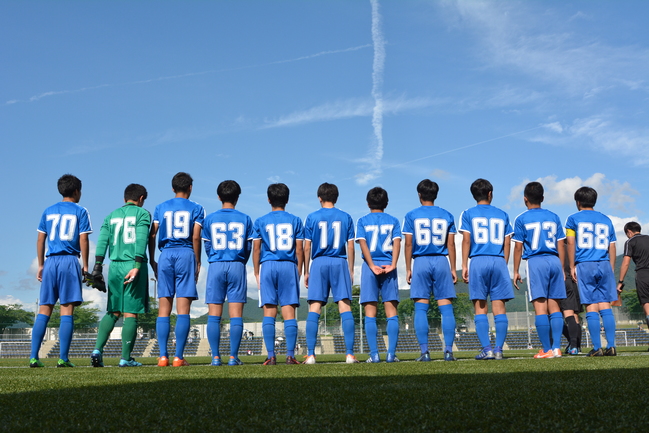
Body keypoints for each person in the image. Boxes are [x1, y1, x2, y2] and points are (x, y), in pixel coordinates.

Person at [31, 174, 92, 368]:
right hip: (69, 261)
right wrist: (85, 265)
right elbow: (83, 239)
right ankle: (63, 358)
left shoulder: (47, 211)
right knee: (67, 310)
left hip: (50, 261)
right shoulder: (81, 211)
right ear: (76, 191)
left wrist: (41, 264)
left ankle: (34, 357)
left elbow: (41, 240)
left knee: (44, 309)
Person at [91, 184, 152, 367]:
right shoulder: (143, 214)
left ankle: (97, 351)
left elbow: (102, 241)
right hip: (132, 264)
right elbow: (141, 240)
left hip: (114, 266)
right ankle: (125, 358)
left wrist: (98, 267)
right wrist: (137, 265)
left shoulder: (111, 216)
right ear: (141, 198)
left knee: (113, 310)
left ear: (125, 198)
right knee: (130, 313)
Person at [150, 172, 205, 367]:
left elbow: (152, 234)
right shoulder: (197, 208)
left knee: (163, 309)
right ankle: (178, 357)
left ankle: (163, 356)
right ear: (190, 187)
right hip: (186, 253)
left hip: (165, 254)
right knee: (183, 310)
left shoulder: (160, 207)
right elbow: (196, 237)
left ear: (172, 188)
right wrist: (197, 261)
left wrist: (151, 259)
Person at [402, 180, 458, 362]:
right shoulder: (447, 215)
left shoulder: (411, 215)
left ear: (419, 194)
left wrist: (408, 267)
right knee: (446, 308)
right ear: (436, 194)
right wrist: (452, 267)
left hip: (421, 261)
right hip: (441, 260)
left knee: (421, 308)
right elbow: (451, 244)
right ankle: (449, 351)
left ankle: (425, 352)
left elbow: (408, 243)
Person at [459, 179, 514, 360]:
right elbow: (507, 242)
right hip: (498, 260)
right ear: (490, 194)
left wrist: (464, 264)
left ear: (474, 195)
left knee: (480, 307)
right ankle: (499, 349)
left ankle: (487, 349)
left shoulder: (467, 213)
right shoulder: (502, 214)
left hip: (478, 260)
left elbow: (466, 240)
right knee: (499, 308)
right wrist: (503, 263)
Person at [303, 183, 357, 364]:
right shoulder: (346, 217)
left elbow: (307, 246)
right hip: (339, 261)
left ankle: (310, 355)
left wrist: (306, 270)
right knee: (344, 305)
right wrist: (350, 269)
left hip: (318, 262)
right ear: (336, 197)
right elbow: (350, 245)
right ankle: (349, 354)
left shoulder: (312, 217)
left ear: (319, 197)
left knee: (314, 307)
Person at [512, 182, 566, 359]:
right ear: (542, 198)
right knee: (555, 306)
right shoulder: (553, 216)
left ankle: (546, 349)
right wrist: (562, 266)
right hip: (554, 260)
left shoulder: (521, 219)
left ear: (524, 199)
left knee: (540, 307)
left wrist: (515, 269)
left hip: (535, 261)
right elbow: (561, 244)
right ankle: (557, 347)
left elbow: (518, 247)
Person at [202, 180, 253, 366]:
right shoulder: (245, 218)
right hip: (237, 265)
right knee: (236, 314)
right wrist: (239, 260)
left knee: (214, 314)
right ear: (237, 197)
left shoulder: (210, 219)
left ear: (218, 196)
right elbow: (248, 246)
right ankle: (233, 357)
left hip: (216, 264)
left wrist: (216, 257)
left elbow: (207, 245)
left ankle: (215, 357)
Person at [252, 183, 304, 365]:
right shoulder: (296, 220)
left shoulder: (260, 221)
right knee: (289, 313)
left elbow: (256, 248)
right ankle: (290, 355)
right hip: (288, 265)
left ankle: (271, 356)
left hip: (267, 265)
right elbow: (299, 249)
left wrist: (256, 270)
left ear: (268, 199)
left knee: (269, 312)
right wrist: (299, 270)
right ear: (287, 200)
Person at [565, 186, 617, 357]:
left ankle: (597, 347)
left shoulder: (573, 219)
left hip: (585, 264)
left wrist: (572, 266)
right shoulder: (606, 219)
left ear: (578, 202)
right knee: (605, 305)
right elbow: (612, 245)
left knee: (591, 306)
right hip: (604, 263)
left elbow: (571, 243)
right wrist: (611, 267)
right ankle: (611, 345)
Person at [356, 187, 401, 363]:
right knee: (392, 312)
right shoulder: (394, 220)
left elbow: (363, 244)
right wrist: (394, 264)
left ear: (368, 203)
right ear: (386, 203)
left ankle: (374, 354)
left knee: (370, 312)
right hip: (389, 266)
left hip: (370, 267)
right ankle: (391, 354)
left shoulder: (362, 221)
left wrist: (372, 265)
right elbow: (397, 243)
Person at [617, 221, 649, 348]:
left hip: (643, 275)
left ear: (629, 231)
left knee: (647, 306)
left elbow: (625, 263)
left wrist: (620, 282)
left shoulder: (630, 242)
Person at [561, 243, 582, 355]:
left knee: (556, 316)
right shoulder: (571, 248)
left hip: (560, 280)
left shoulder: (553, 246)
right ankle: (576, 345)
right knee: (573, 315)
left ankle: (572, 342)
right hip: (572, 281)